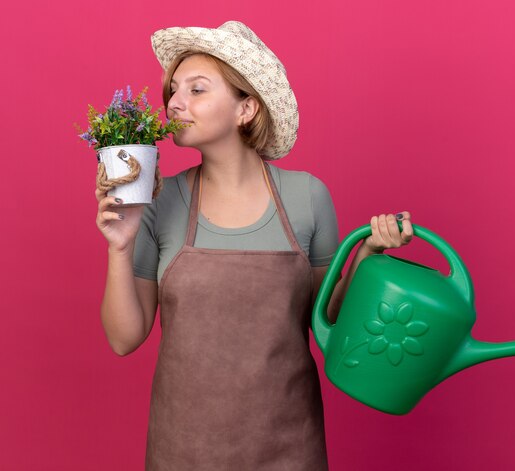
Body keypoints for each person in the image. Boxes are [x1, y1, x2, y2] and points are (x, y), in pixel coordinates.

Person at [95, 21, 413, 471]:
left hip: (288, 448)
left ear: (246, 108)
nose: (174, 103)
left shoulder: (307, 198)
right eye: (173, 90)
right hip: (182, 451)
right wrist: (119, 247)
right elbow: (124, 339)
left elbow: (332, 325)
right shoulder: (159, 203)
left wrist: (366, 255)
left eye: (197, 89)